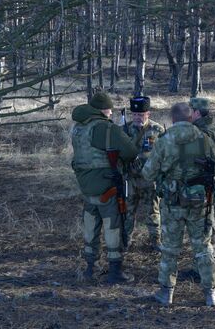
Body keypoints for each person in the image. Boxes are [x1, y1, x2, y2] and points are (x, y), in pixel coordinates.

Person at [142, 102, 215, 307]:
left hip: (172, 203)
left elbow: (148, 173)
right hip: (199, 203)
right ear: (190, 118)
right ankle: (211, 294)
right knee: (203, 247)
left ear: (173, 119)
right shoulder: (203, 138)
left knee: (170, 248)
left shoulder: (164, 140)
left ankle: (166, 293)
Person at [71, 92, 138, 284]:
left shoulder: (79, 128)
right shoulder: (107, 129)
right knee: (113, 226)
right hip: (107, 186)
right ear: (103, 109)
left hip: (86, 185)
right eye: (109, 109)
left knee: (91, 226)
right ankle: (115, 271)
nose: (111, 113)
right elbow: (130, 152)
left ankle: (90, 268)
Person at [180, 97, 215, 281]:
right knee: (208, 224)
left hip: (200, 185)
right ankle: (203, 265)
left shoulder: (199, 132)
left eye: (190, 111)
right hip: (211, 182)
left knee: (203, 229)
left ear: (197, 113)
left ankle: (203, 269)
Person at [123, 96, 165, 250]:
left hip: (150, 180)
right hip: (131, 180)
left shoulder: (157, 130)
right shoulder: (125, 130)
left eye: (140, 115)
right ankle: (125, 240)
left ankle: (156, 241)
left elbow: (164, 154)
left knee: (153, 212)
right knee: (127, 212)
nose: (137, 118)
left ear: (148, 114)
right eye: (134, 115)